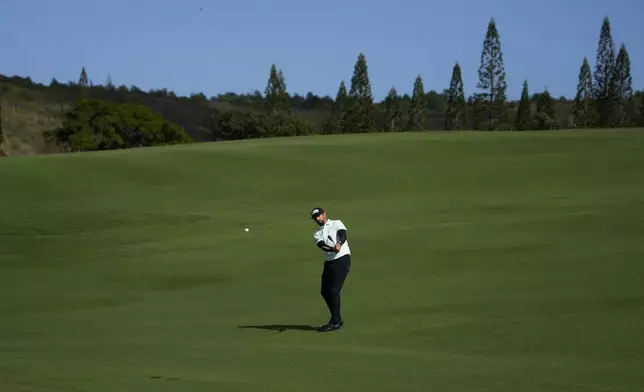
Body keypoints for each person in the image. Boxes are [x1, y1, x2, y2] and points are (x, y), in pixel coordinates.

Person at [310, 207, 351, 332]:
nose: (317, 219)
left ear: (324, 214)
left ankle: (335, 321)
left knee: (334, 291)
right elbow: (322, 245)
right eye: (315, 217)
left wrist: (338, 244)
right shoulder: (317, 233)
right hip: (329, 262)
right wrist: (332, 248)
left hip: (342, 259)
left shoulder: (336, 223)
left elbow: (343, 234)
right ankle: (336, 319)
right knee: (325, 291)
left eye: (319, 215)